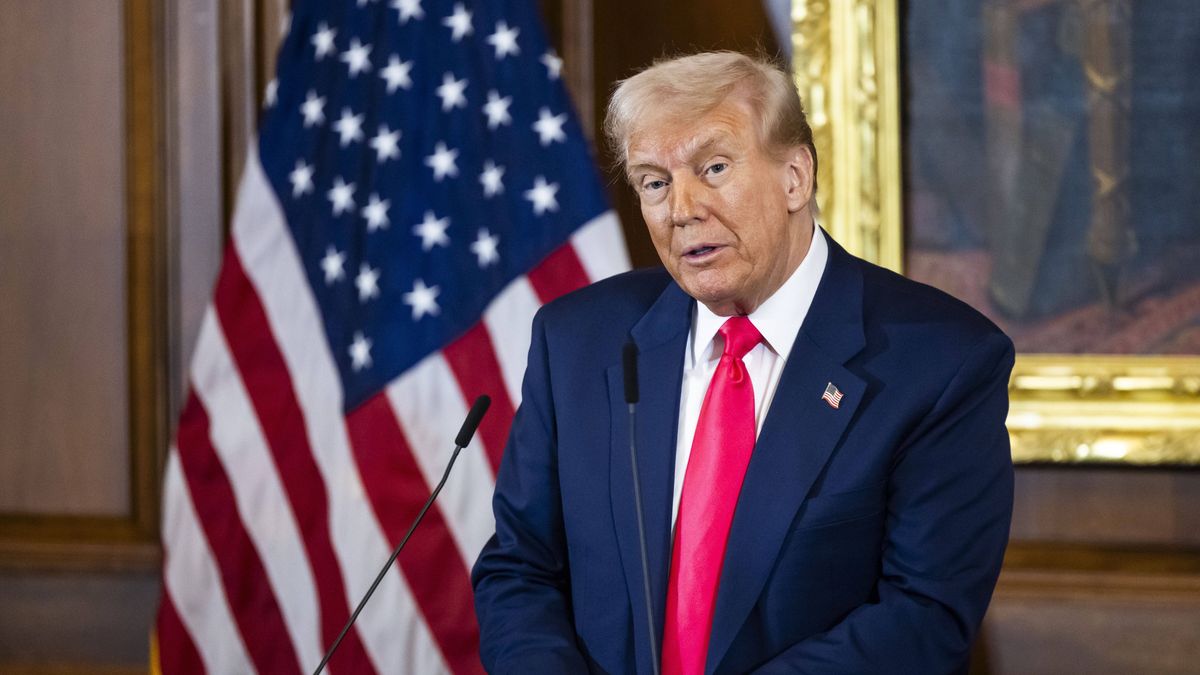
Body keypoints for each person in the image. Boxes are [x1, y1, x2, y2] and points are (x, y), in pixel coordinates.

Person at [472, 51, 1015, 674]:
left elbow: (923, 616)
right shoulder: (578, 342)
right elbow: (520, 567)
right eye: (655, 181)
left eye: (714, 168)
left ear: (795, 177)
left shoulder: (940, 363)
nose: (682, 208)